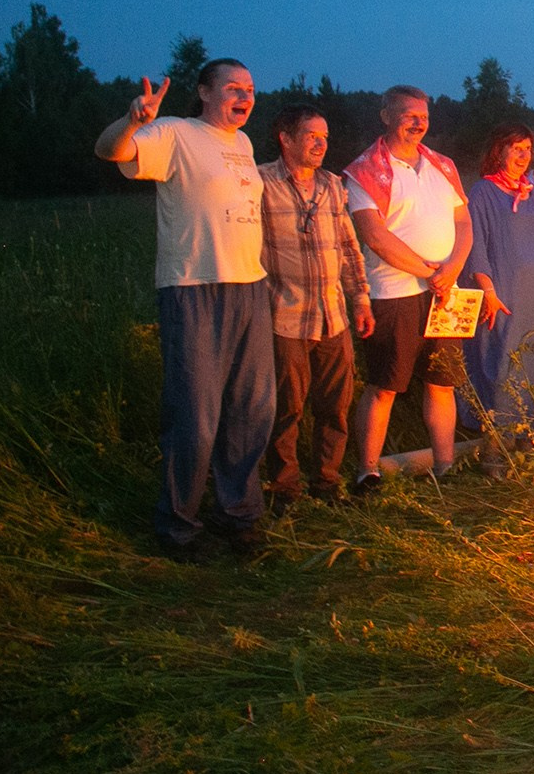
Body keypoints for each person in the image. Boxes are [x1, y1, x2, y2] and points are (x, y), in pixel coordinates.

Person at [95, 61, 273, 558]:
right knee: (196, 416)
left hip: (249, 286)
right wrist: (134, 120)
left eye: (251, 89)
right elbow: (110, 151)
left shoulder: (242, 144)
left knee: (253, 409)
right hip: (194, 287)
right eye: (233, 88)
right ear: (203, 92)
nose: (245, 96)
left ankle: (237, 515)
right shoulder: (174, 133)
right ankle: (177, 528)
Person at [345, 85, 472, 491]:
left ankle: (445, 465)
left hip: (445, 293)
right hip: (395, 293)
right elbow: (374, 235)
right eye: (408, 114)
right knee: (385, 385)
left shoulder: (442, 166)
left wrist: (451, 269)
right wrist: (427, 272)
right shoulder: (364, 171)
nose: (418, 123)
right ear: (386, 116)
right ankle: (368, 471)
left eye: (423, 116)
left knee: (442, 381)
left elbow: (464, 223)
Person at [257, 103, 373, 509]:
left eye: (325, 136)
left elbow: (348, 245)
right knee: (286, 408)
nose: (321, 144)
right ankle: (284, 489)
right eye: (311, 136)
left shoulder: (332, 185)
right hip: (285, 314)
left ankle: (327, 482)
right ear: (285, 138)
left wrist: (360, 297)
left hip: (333, 315)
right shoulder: (261, 183)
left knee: (335, 406)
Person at [461, 124, 534, 468]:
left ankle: (529, 438)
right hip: (500, 291)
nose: (522, 156)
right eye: (515, 148)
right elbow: (477, 244)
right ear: (499, 151)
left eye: (527, 149)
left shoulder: (530, 192)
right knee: (502, 362)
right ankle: (496, 446)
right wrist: (487, 289)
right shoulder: (484, 191)